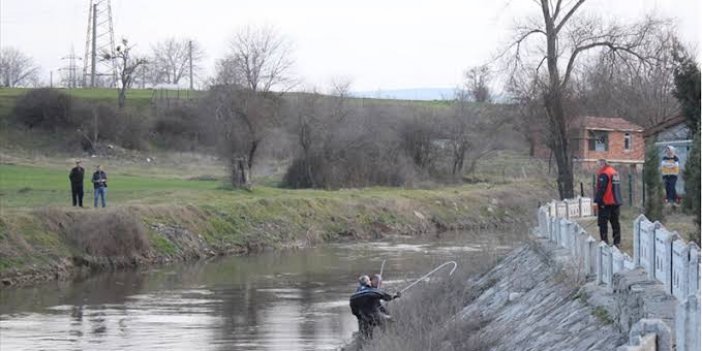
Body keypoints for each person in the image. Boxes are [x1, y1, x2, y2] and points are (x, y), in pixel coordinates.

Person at [349, 274, 400, 341]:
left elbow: (354, 312)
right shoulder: (371, 290)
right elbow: (386, 296)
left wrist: (360, 317)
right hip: (373, 315)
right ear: (368, 282)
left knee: (366, 338)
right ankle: (390, 339)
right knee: (390, 322)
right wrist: (395, 295)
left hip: (363, 317)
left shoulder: (354, 295)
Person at [594, 159, 622, 247]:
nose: (598, 165)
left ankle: (604, 241)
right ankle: (617, 241)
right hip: (616, 202)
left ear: (603, 163)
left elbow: (602, 189)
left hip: (606, 202)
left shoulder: (604, 173)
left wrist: (597, 201)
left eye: (599, 163)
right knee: (615, 222)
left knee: (603, 223)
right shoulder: (614, 172)